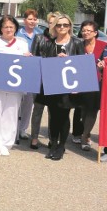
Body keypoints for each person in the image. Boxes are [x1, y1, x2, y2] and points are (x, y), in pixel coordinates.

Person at [0, 15, 30, 156]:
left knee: (11, 114)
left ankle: (6, 143)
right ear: (1, 28)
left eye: (11, 26)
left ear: (15, 28)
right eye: (5, 27)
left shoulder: (22, 43)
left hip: (15, 86)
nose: (8, 29)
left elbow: (25, 65)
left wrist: (29, 58)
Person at [41, 14, 84, 160]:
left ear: (70, 27)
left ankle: (61, 147)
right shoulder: (50, 43)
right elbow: (45, 63)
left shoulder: (77, 43)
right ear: (55, 27)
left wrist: (69, 61)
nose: (62, 27)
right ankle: (53, 144)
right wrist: (55, 59)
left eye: (65, 25)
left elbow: (81, 65)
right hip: (53, 84)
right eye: (59, 25)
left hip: (69, 86)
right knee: (53, 116)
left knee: (64, 115)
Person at [73, 20, 107, 151]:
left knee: (92, 110)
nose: (86, 32)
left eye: (89, 30)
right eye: (84, 30)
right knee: (82, 110)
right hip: (80, 82)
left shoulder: (103, 46)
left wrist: (102, 66)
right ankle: (80, 133)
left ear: (95, 33)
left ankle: (85, 136)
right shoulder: (78, 45)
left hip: (97, 83)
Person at [29, 12, 59, 149]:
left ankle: (53, 139)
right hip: (40, 79)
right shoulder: (39, 37)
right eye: (51, 22)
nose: (53, 25)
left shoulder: (61, 40)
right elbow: (34, 58)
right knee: (38, 109)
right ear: (48, 23)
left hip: (54, 80)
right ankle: (34, 137)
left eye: (56, 23)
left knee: (54, 111)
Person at [16, 9, 42, 141]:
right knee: (16, 100)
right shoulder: (17, 33)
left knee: (28, 102)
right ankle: (13, 128)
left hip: (34, 72)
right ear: (24, 20)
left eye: (34, 19)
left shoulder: (41, 34)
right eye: (30, 19)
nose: (32, 21)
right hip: (19, 70)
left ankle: (22, 129)